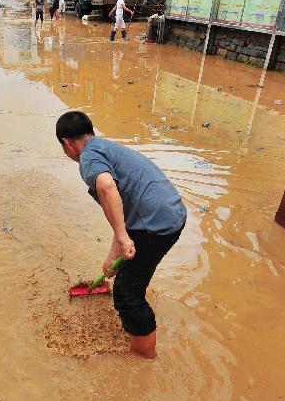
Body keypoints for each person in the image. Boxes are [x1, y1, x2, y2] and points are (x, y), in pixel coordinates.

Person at [56, 111, 187, 359]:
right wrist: (114, 254)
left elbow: (106, 186)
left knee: (127, 295)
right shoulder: (104, 147)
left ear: (67, 143)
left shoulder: (88, 158)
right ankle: (141, 335)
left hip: (157, 224)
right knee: (128, 277)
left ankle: (144, 356)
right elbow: (123, 214)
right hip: (171, 213)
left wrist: (125, 239)